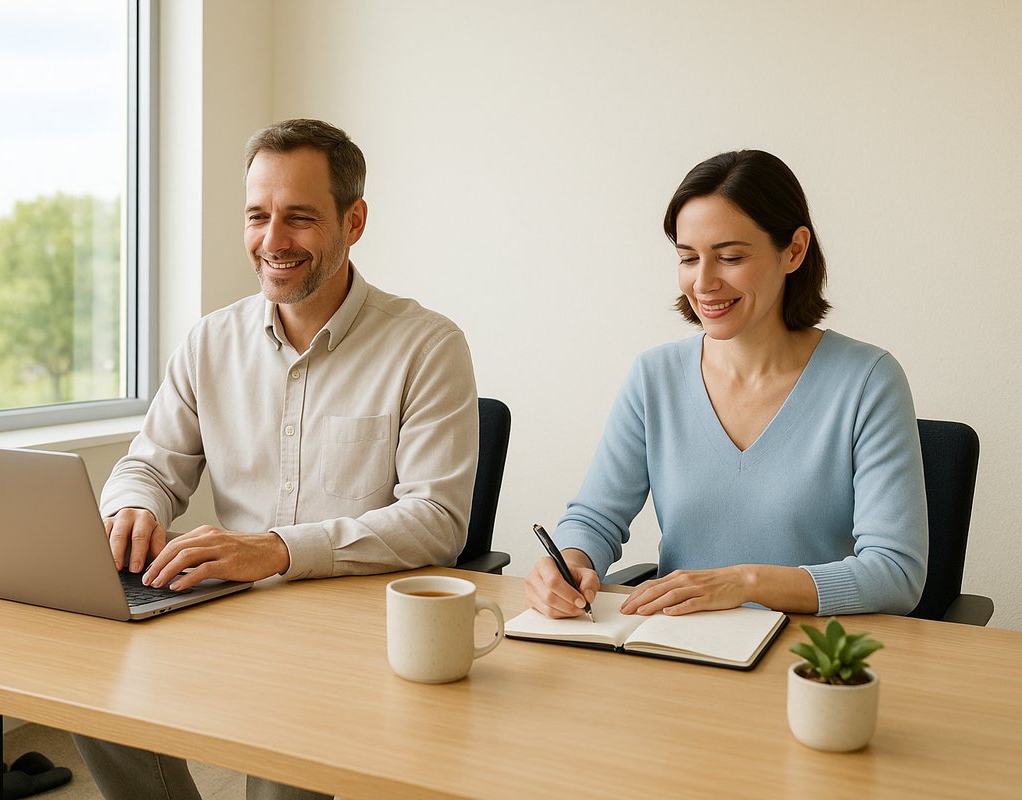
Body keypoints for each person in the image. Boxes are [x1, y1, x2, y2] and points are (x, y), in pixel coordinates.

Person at [73, 119, 478, 800]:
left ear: (355, 221)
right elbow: (150, 464)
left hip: (352, 630)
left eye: (299, 218)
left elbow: (437, 519)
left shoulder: (426, 345)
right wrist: (134, 505)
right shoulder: (211, 341)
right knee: (87, 687)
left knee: (282, 782)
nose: (272, 241)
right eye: (258, 216)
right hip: (227, 611)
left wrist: (279, 550)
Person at [525, 149, 927, 621]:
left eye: (730, 257)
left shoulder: (867, 381)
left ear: (794, 250)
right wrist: (571, 563)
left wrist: (744, 582)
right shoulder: (654, 377)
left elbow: (896, 572)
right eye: (688, 258)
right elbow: (596, 517)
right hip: (680, 648)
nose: (703, 283)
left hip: (813, 663)